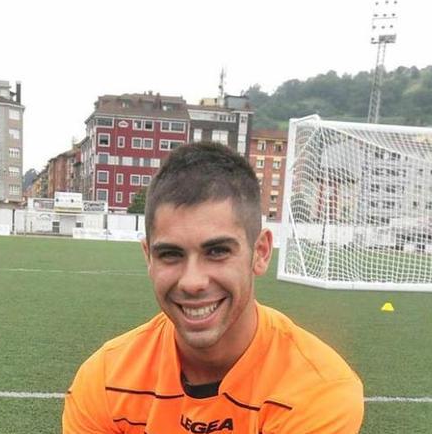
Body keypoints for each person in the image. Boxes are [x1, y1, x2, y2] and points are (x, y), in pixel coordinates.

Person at [63, 142, 364, 433]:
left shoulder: (319, 388)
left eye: (217, 251)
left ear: (260, 253)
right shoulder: (105, 378)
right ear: (149, 258)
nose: (193, 282)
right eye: (170, 254)